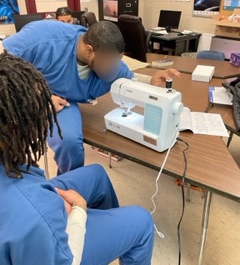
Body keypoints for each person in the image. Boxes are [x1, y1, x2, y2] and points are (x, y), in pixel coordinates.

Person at [0, 52, 154, 265]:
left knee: (97, 174)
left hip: (21, 201)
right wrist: (79, 213)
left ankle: (105, 236)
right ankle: (99, 236)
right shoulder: (35, 214)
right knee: (142, 221)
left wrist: (48, 197)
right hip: (56, 245)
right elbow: (67, 260)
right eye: (39, 108)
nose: (47, 112)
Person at [2, 20, 180, 174]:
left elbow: (127, 78)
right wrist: (37, 98)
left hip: (66, 97)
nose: (113, 67)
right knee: (68, 142)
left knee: (72, 146)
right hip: (42, 93)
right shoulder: (43, 37)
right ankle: (63, 191)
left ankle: (72, 184)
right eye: (109, 62)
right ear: (89, 50)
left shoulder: (109, 58)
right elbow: (3, 65)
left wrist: (150, 80)